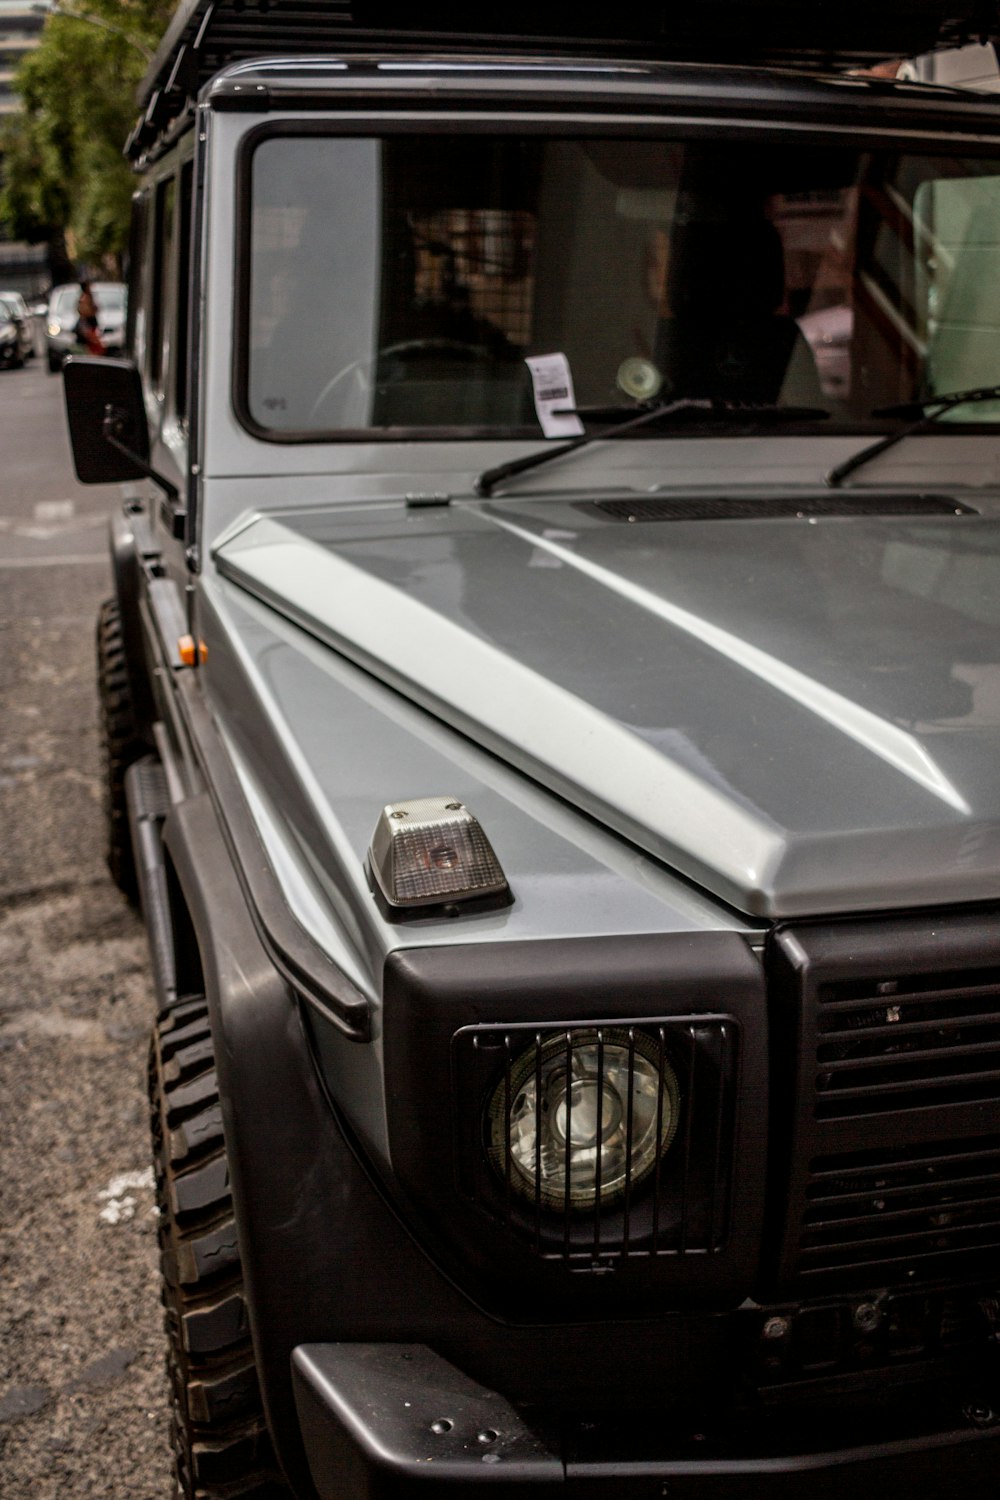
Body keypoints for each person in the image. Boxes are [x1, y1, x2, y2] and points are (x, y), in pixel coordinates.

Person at [76, 281, 105, 355]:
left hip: (91, 322)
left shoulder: (89, 297)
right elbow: (83, 310)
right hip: (88, 323)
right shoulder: (84, 298)